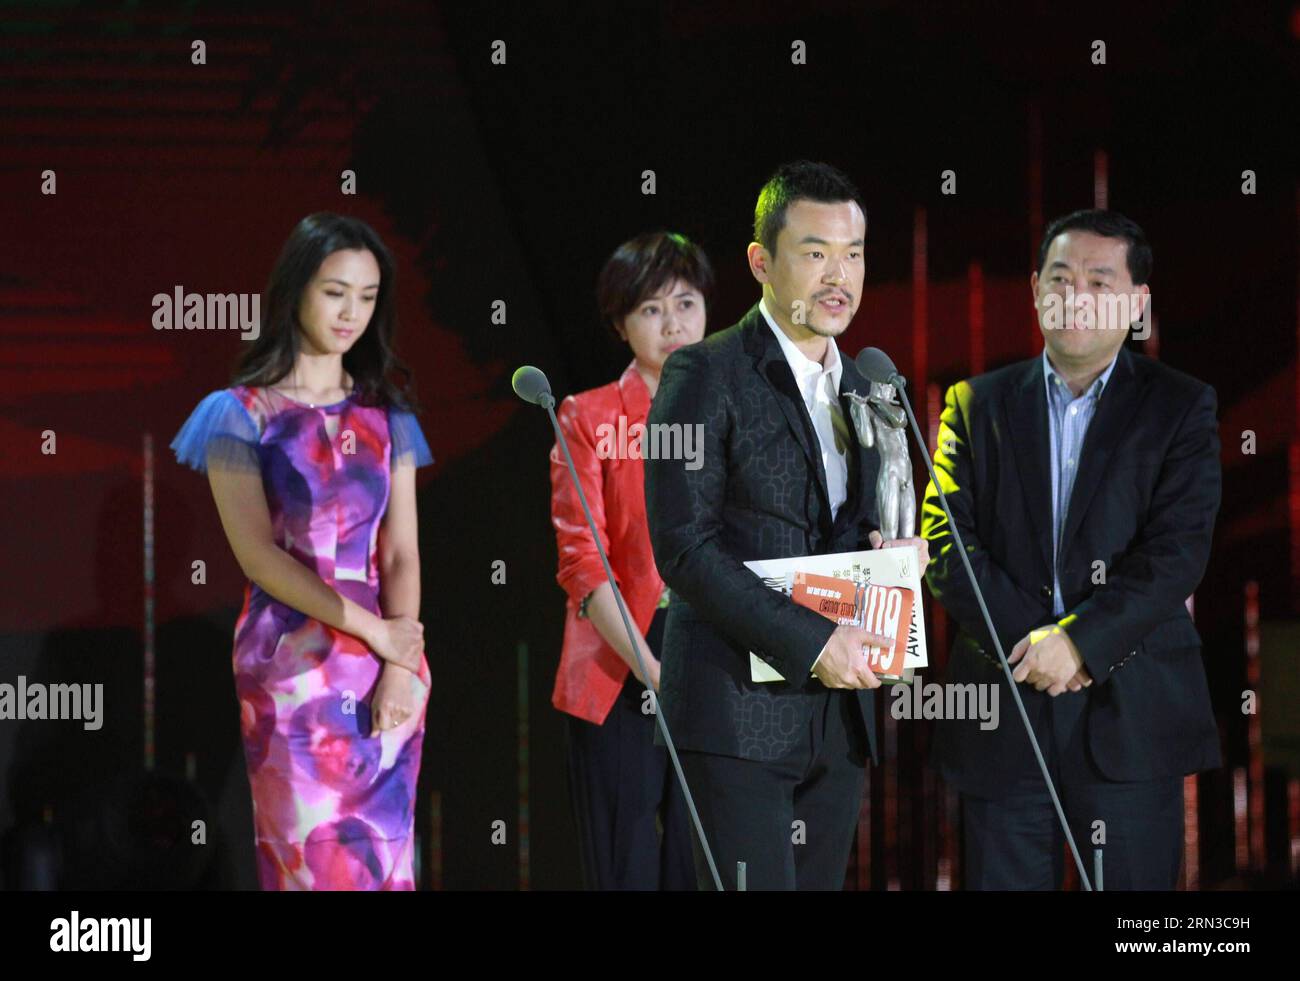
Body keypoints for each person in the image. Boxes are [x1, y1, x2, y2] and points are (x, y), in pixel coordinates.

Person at [644, 161, 928, 890]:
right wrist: (813, 641)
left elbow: (856, 527)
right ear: (761, 262)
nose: (840, 275)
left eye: (854, 254)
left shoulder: (870, 384)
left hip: (840, 719)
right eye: (815, 253)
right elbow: (684, 547)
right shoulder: (704, 373)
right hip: (734, 714)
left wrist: (892, 559)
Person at [921, 208, 1222, 890]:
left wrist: (1082, 642)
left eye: (1099, 279)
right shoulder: (975, 405)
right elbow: (946, 544)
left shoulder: (1180, 407)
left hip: (1132, 713)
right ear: (1034, 290)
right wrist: (1039, 646)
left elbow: (1176, 552)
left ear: (1137, 302)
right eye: (1060, 277)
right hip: (1005, 712)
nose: (1075, 295)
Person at [170, 212, 435, 890]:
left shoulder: (388, 415)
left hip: (385, 664)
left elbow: (401, 551)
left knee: (385, 862)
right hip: (290, 663)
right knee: (306, 861)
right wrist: (375, 630)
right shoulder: (238, 413)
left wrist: (400, 663)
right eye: (335, 291)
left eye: (369, 296)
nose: (352, 312)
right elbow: (259, 557)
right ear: (295, 290)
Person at [549, 231, 712, 890]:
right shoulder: (585, 416)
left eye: (687, 304)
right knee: (628, 865)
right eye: (651, 309)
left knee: (701, 860)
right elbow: (582, 562)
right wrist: (654, 671)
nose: (674, 323)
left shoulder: (738, 410)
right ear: (621, 323)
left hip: (717, 654)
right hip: (622, 657)